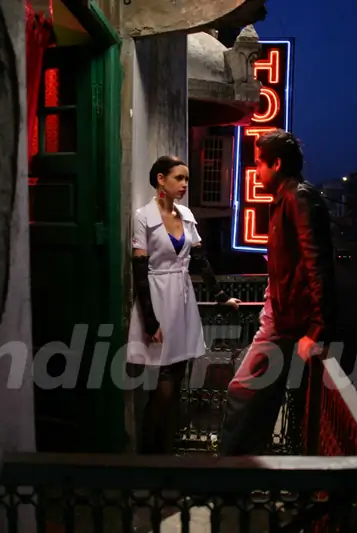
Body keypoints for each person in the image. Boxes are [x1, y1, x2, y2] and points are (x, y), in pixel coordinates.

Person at [219, 130, 336, 456]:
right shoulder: (288, 199)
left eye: (259, 163)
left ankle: (225, 474)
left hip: (286, 323)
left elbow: (317, 265)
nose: (256, 170)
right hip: (281, 317)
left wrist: (316, 329)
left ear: (277, 163)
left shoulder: (298, 198)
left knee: (242, 392)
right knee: (261, 398)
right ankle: (244, 472)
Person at [127, 155, 241, 455]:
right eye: (179, 178)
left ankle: (165, 450)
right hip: (158, 294)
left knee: (177, 377)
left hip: (183, 298)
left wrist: (221, 297)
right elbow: (139, 269)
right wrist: (150, 320)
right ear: (161, 180)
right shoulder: (143, 217)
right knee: (165, 379)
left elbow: (201, 262)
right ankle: (148, 452)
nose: (185, 184)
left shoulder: (186, 215)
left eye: (187, 179)